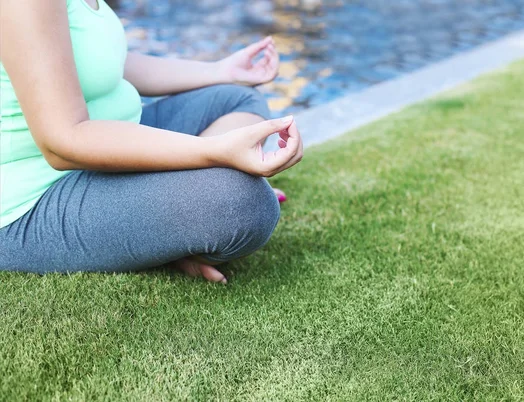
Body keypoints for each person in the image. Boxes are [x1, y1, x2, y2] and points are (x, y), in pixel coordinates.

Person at [0, 0, 304, 283]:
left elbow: (108, 62)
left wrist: (220, 71)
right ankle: (178, 226)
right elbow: (61, 144)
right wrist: (214, 152)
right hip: (35, 197)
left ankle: (173, 223)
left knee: (237, 98)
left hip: (112, 140)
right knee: (243, 203)